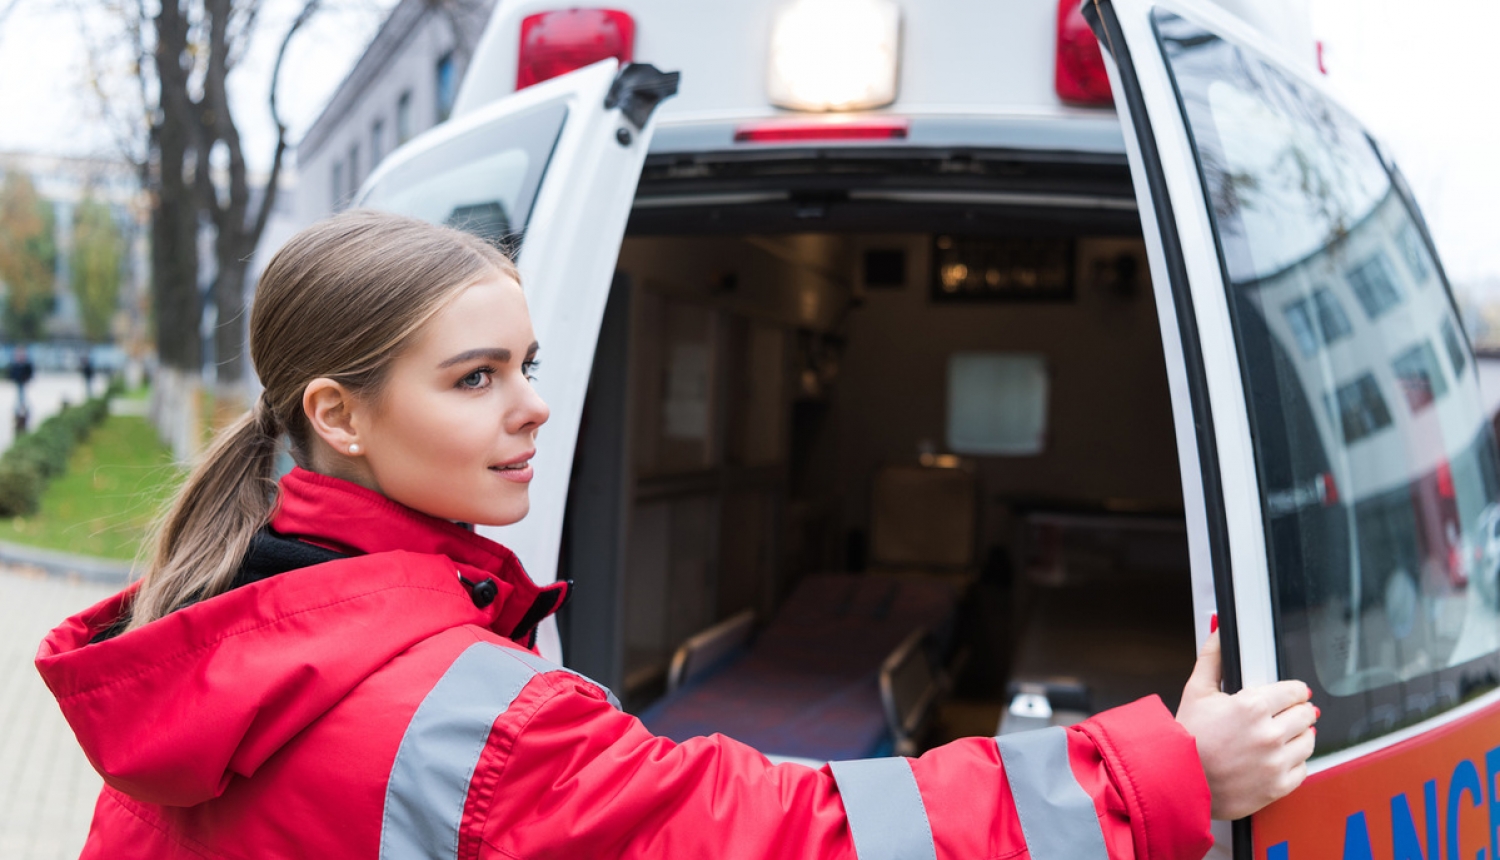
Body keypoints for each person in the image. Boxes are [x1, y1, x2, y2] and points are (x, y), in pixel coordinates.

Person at [36, 210, 1317, 860]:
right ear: (341, 416)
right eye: (476, 377)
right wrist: (1159, 777)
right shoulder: (472, 718)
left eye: (526, 362)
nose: (537, 403)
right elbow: (801, 831)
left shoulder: (202, 628)